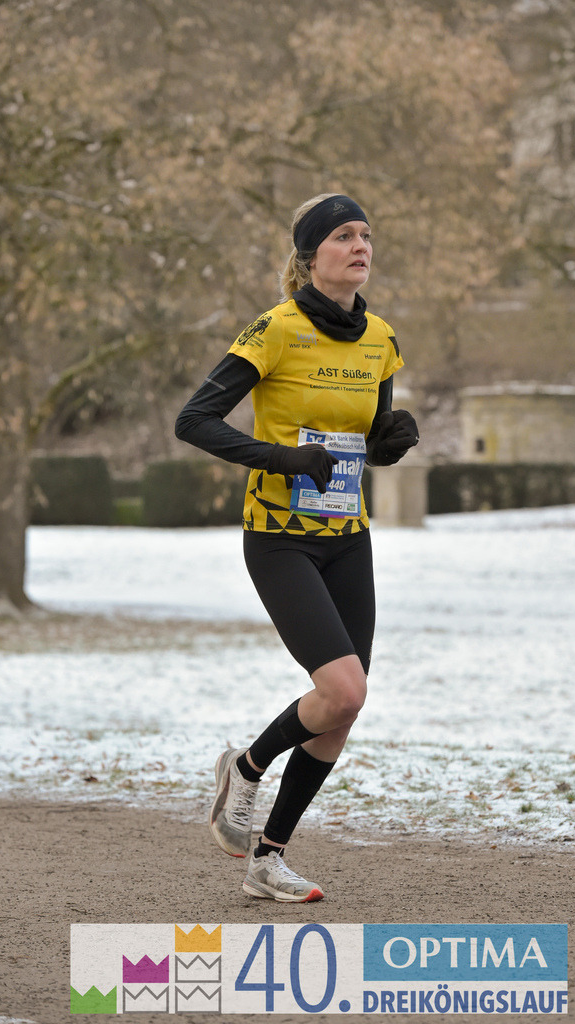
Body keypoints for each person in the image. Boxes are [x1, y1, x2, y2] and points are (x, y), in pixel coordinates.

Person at [175, 193, 418, 902]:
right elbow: (195, 421)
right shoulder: (274, 330)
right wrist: (280, 459)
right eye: (345, 235)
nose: (360, 245)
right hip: (280, 538)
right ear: (313, 255)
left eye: (367, 234)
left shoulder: (382, 338)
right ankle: (247, 767)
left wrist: (388, 445)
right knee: (343, 688)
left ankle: (268, 858)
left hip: (347, 537)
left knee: (345, 705)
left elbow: (364, 441)